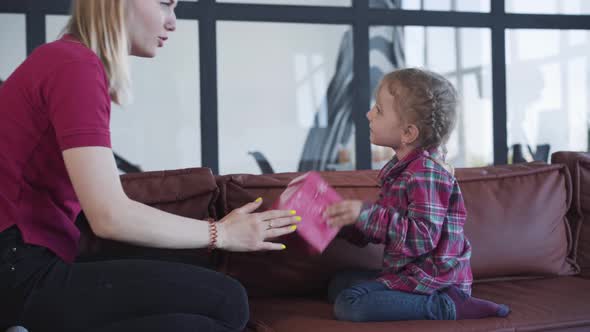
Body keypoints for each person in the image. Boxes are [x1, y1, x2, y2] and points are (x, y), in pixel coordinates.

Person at [0, 1, 299, 331]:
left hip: (27, 264)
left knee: (223, 301)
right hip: (19, 269)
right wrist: (223, 233)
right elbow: (109, 216)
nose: (172, 22)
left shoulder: (68, 59)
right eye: (164, 4)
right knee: (224, 300)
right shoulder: (74, 65)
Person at [324, 68, 510, 322]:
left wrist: (365, 214)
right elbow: (386, 227)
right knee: (339, 283)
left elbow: (421, 238)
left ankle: (449, 306)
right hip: (408, 273)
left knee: (349, 304)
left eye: (378, 109)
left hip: (435, 281)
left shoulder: (427, 173)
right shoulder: (401, 170)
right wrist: (345, 220)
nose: (368, 114)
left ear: (408, 133)